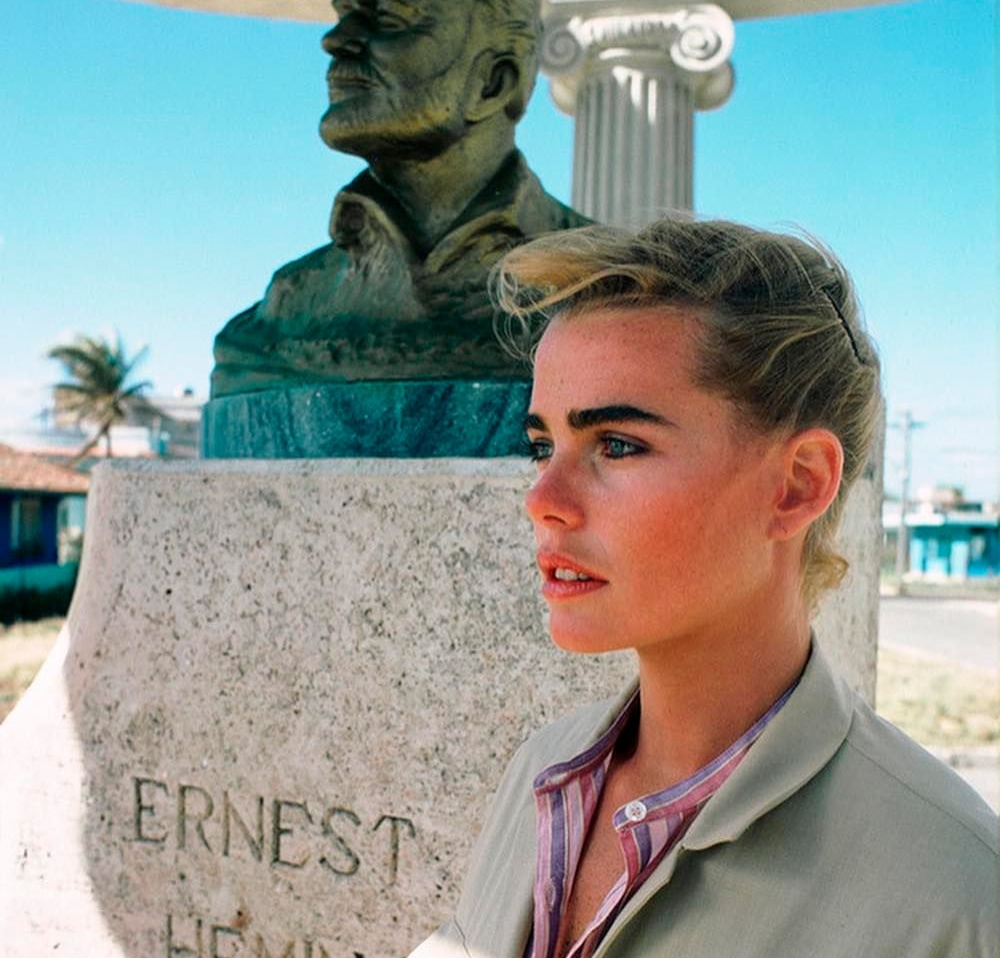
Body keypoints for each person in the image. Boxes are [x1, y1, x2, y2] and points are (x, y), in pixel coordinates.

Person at [408, 217, 999, 958]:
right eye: (542, 446)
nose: (542, 499)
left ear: (797, 485)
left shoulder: (960, 893)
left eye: (617, 444)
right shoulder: (544, 771)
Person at [211, 0, 588, 397]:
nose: (335, 40)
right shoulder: (284, 309)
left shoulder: (603, 288)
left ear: (492, 82)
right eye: (344, 14)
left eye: (386, 16)